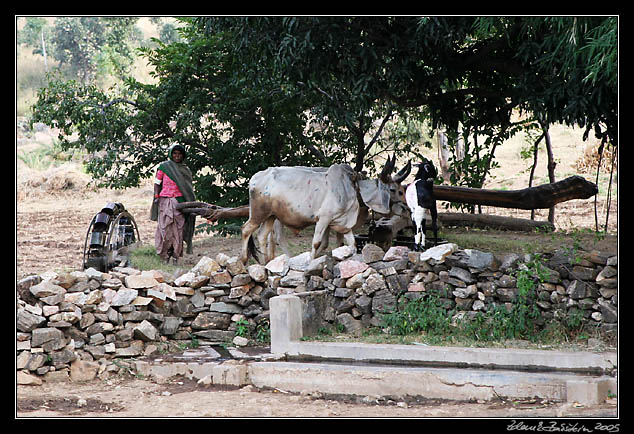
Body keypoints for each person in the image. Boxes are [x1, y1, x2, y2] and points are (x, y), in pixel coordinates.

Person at [150, 143, 196, 264]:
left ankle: (176, 256)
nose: (177, 156)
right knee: (165, 230)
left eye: (179, 154)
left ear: (183, 155)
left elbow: (188, 189)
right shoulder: (164, 167)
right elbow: (157, 183)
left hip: (180, 202)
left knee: (178, 230)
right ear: (171, 154)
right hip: (165, 201)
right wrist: (156, 196)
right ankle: (165, 256)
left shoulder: (185, 170)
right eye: (175, 153)